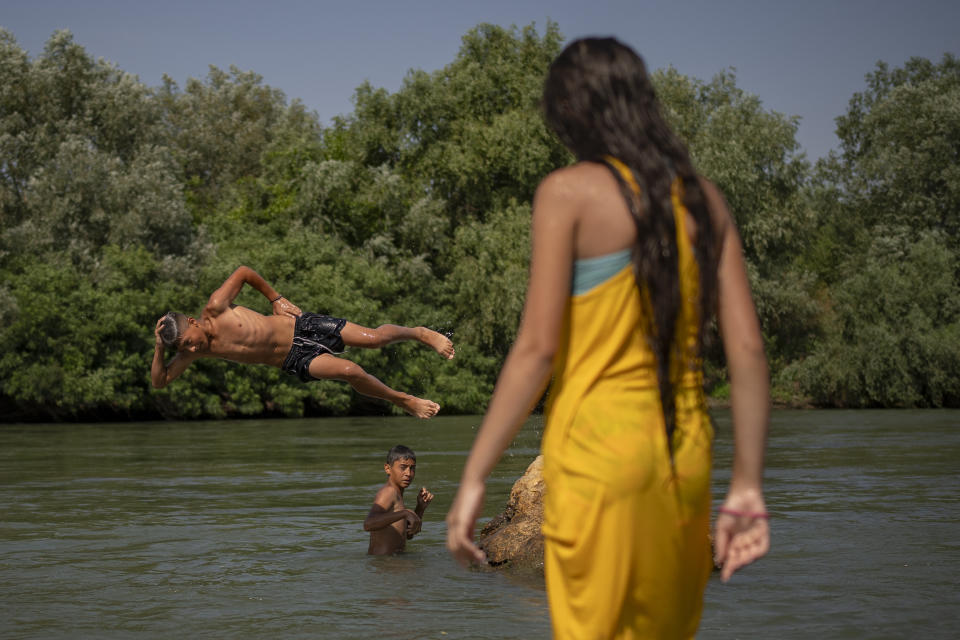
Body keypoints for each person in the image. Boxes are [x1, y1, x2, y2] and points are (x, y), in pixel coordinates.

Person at [445, 37, 770, 638]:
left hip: (593, 456)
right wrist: (747, 484)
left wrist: (474, 477)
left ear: (570, 113)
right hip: (684, 453)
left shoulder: (566, 194)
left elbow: (537, 350)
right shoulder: (705, 200)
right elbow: (748, 352)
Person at [151, 266, 454, 419]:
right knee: (350, 372)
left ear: (192, 322)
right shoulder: (196, 355)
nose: (192, 349)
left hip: (301, 326)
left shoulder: (217, 306)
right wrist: (160, 347)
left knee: (373, 339)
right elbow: (160, 381)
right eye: (184, 349)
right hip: (294, 360)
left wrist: (276, 298)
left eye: (189, 342)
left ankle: (418, 333)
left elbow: (244, 272)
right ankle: (404, 400)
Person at [364, 444, 435, 554]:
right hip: (384, 566)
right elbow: (368, 524)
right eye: (403, 467)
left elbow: (408, 535)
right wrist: (405, 513)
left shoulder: (397, 494)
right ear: (388, 468)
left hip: (393, 563)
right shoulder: (389, 492)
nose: (408, 473)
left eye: (412, 468)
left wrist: (420, 508)